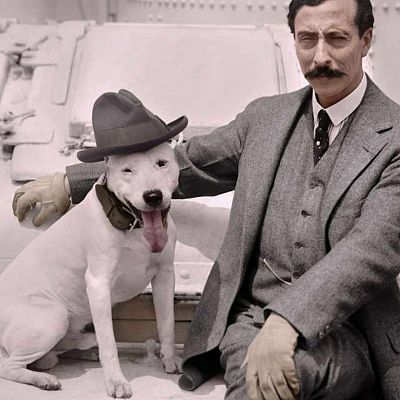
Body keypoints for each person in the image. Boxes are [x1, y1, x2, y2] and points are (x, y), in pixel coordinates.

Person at [11, 0, 400, 399]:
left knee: (276, 380)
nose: (320, 56)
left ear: (365, 40)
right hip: (252, 319)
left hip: (348, 329)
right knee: (258, 381)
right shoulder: (265, 118)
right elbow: (185, 164)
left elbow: (372, 248)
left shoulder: (396, 137)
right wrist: (70, 184)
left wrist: (288, 321)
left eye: (336, 38)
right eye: (307, 40)